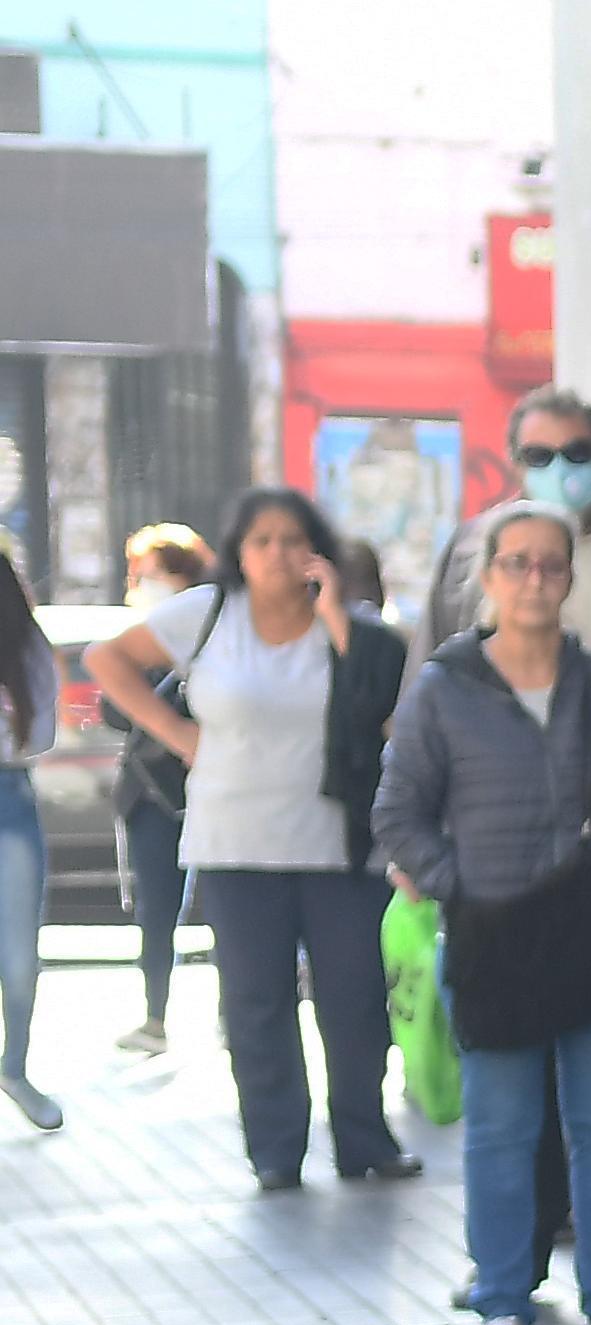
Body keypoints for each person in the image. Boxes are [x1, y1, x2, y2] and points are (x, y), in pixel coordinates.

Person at [379, 502, 591, 1325]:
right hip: (495, 937)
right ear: (488, 576)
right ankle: (504, 1300)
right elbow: (397, 814)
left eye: (551, 564)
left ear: (570, 577)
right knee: (502, 1126)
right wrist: (461, 889)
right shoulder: (443, 691)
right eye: (517, 563)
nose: (535, 579)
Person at [88, 489, 418, 1189]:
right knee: (257, 1002)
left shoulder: (350, 629)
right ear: (239, 550)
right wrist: (177, 734)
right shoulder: (206, 614)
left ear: (316, 550)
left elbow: (381, 705)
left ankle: (365, 1138)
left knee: (354, 999)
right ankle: (274, 1150)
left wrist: (334, 617)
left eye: (292, 539)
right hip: (235, 843)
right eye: (261, 539)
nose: (277, 553)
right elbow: (106, 659)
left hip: (338, 846)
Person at [420, 389, 591, 677]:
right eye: (539, 456)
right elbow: (428, 670)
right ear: (516, 466)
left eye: (576, 453)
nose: (560, 469)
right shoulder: (471, 549)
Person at [112, 523, 213, 1057]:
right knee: (156, 908)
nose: (140, 584)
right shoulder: (143, 638)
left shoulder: (210, 626)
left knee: (225, 902)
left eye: (149, 575)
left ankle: (232, 1011)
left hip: (209, 785)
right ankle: (156, 1017)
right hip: (151, 793)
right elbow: (111, 706)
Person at [0, 535, 52, 1131]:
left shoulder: (26, 649)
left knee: (18, 958)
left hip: (10, 797)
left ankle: (14, 1067)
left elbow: (41, 736)